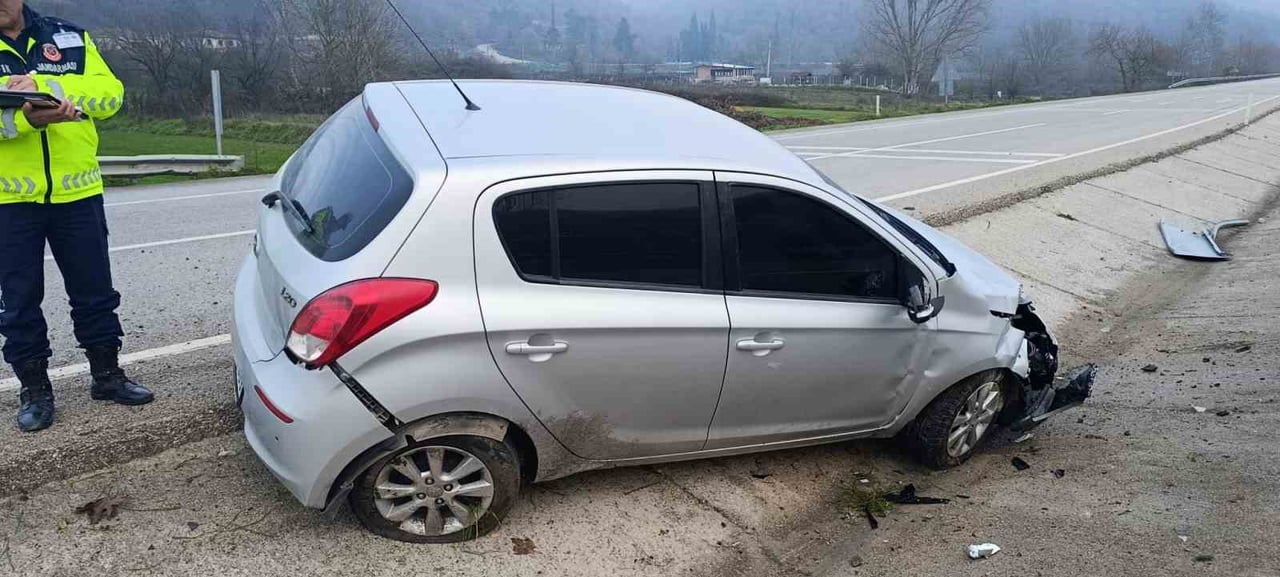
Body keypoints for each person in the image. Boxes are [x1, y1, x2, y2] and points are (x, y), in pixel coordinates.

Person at [0, 0, 152, 433]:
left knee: (95, 293)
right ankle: (34, 389)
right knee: (18, 303)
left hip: (78, 192)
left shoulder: (67, 36)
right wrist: (28, 120)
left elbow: (110, 95)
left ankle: (107, 375)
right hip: (9, 200)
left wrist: (47, 87)